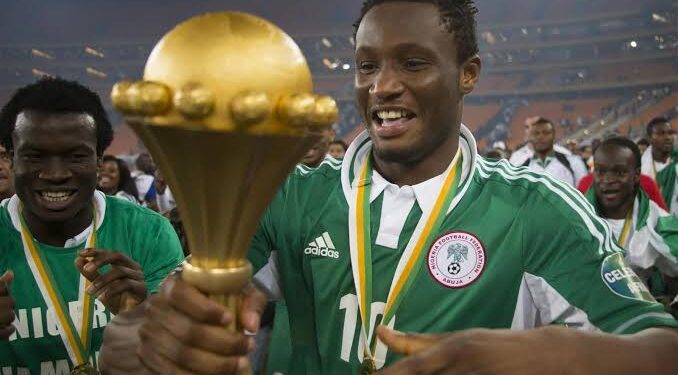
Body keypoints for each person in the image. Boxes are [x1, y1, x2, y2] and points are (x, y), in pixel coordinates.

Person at [101, 1, 678, 374]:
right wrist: (141, 341)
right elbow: (163, 320)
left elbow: (661, 345)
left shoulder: (534, 209)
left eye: (413, 64)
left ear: (468, 74)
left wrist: (563, 358)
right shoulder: (292, 196)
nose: (383, 87)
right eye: (366, 66)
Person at [0, 77, 185, 373]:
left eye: (76, 156)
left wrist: (141, 319)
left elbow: (179, 359)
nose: (55, 174)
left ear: (99, 160)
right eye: (35, 156)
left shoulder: (148, 233)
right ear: (11, 159)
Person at [583, 137, 678, 290]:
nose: (607, 180)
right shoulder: (575, 217)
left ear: (636, 175)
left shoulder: (656, 221)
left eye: (619, 172)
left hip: (635, 310)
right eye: (600, 171)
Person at [519, 117, 588, 186]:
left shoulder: (574, 163)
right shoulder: (522, 169)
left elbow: (584, 193)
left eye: (546, 133)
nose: (540, 137)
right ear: (531, 137)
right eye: (536, 133)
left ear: (553, 136)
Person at [641, 117, 677, 215]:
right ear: (649, 138)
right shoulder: (641, 169)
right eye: (661, 133)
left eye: (670, 133)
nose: (668, 137)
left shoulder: (676, 162)